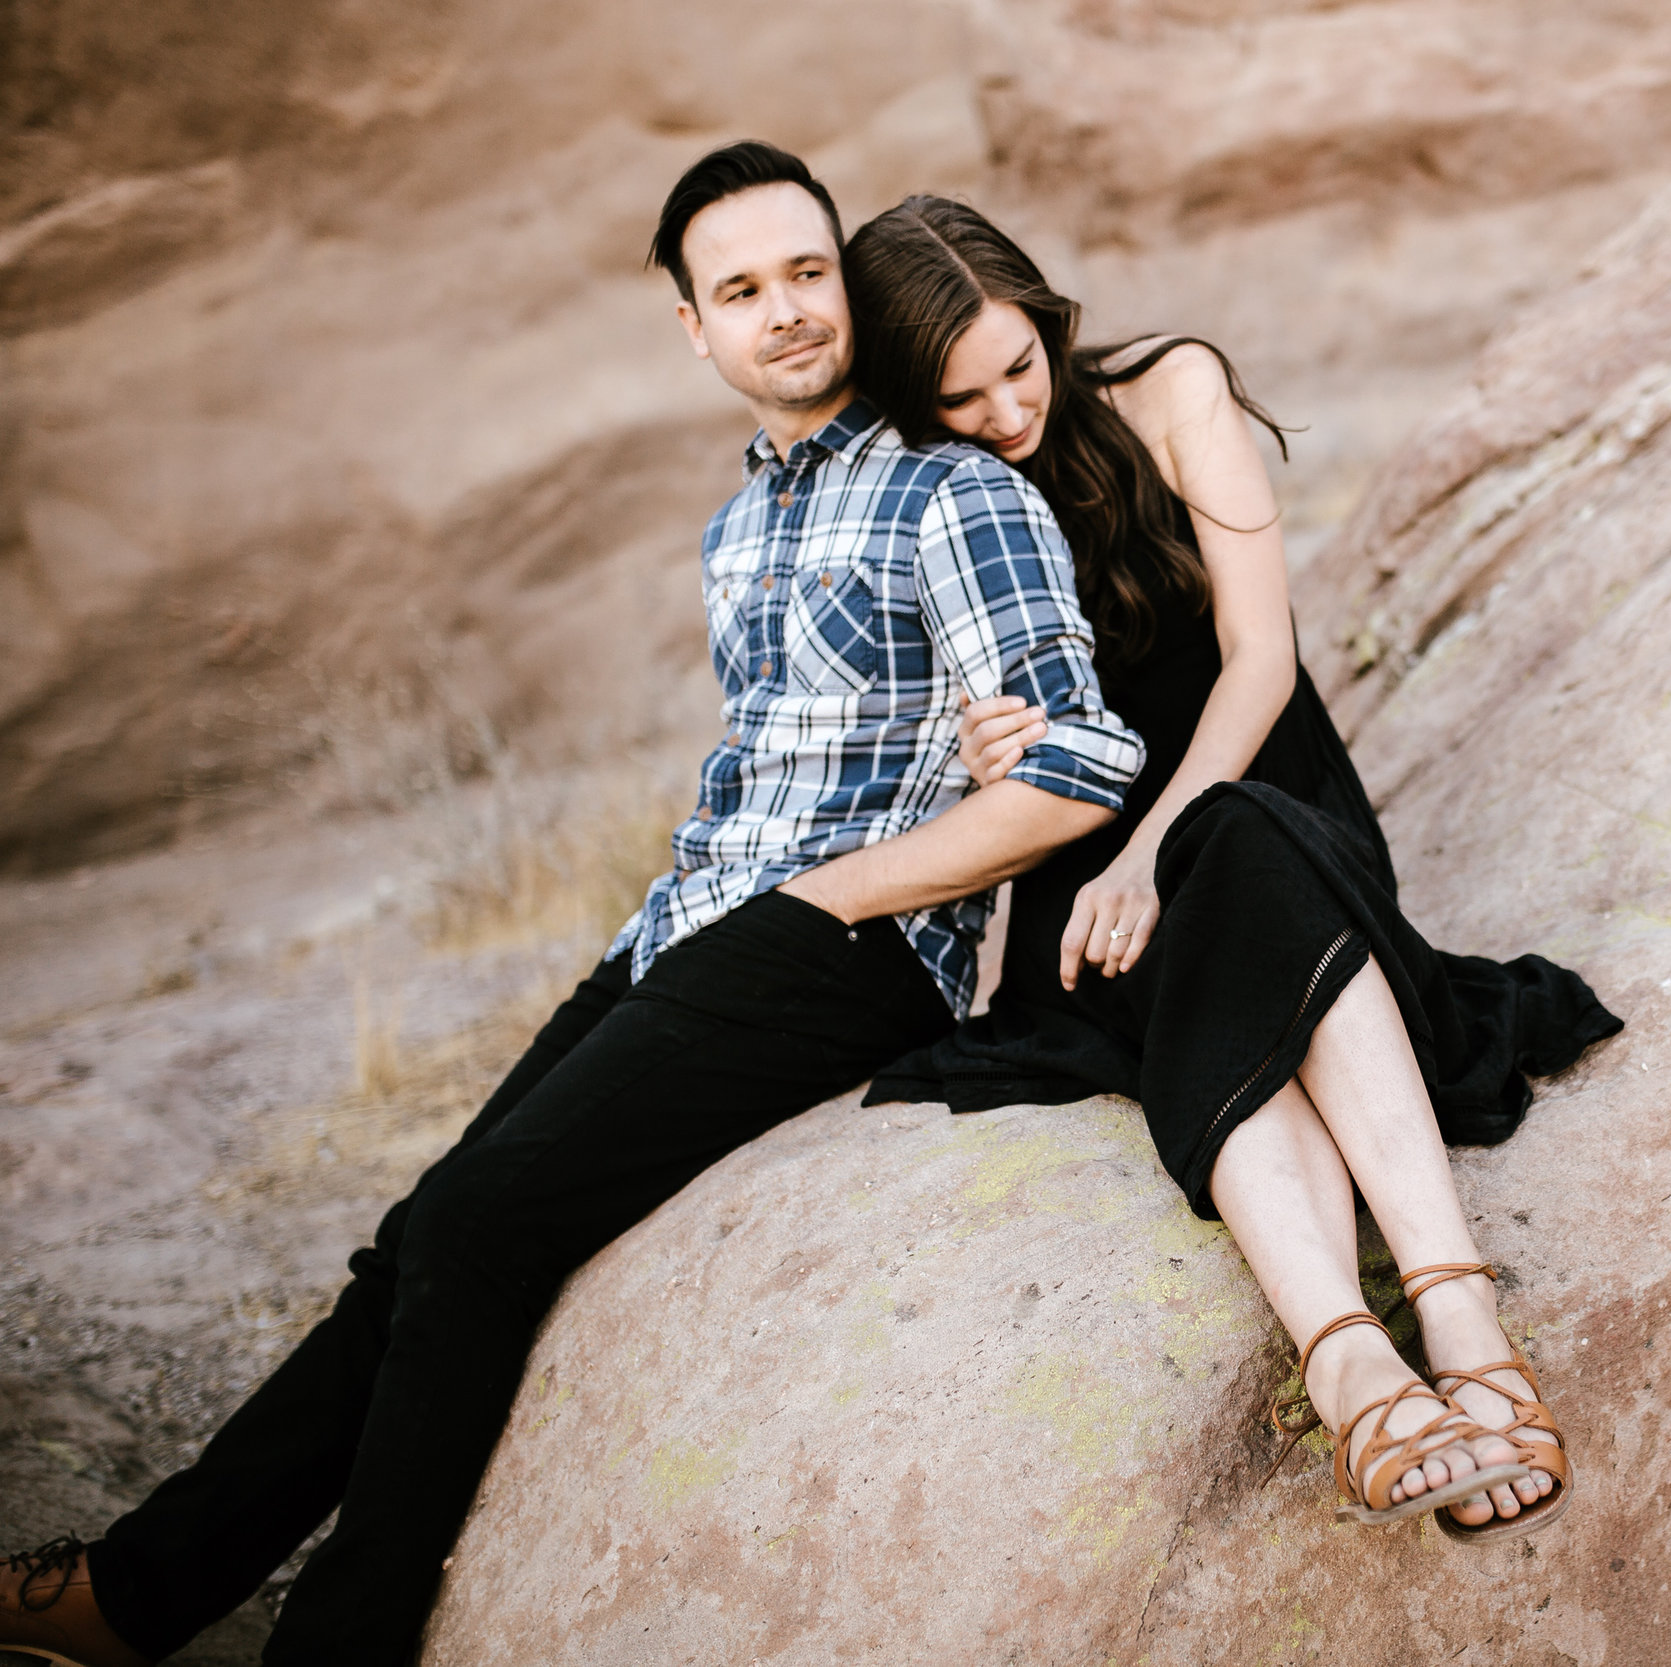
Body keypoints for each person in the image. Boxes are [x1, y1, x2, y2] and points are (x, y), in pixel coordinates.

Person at [0, 144, 1142, 1667]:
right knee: (418, 1240)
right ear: (692, 327)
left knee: (479, 1228)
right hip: (687, 936)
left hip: (848, 949)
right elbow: (756, 776)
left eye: (809, 273)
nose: (787, 312)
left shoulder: (952, 492)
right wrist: (700, 918)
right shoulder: (736, 532)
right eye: (741, 290)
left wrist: (822, 902)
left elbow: (1078, 769)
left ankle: (332, 1645)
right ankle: (127, 1599)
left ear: (850, 284)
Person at [851, 197, 1623, 1539]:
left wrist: (1152, 854)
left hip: (1254, 792)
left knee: (1243, 857)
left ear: (1047, 322)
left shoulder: (1169, 392)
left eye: (1019, 367)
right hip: (1076, 862)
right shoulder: (918, 499)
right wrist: (981, 749)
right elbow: (916, 757)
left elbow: (1261, 659)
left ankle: (1454, 1317)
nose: (1007, 413)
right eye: (961, 400)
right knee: (1194, 970)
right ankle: (1357, 1365)